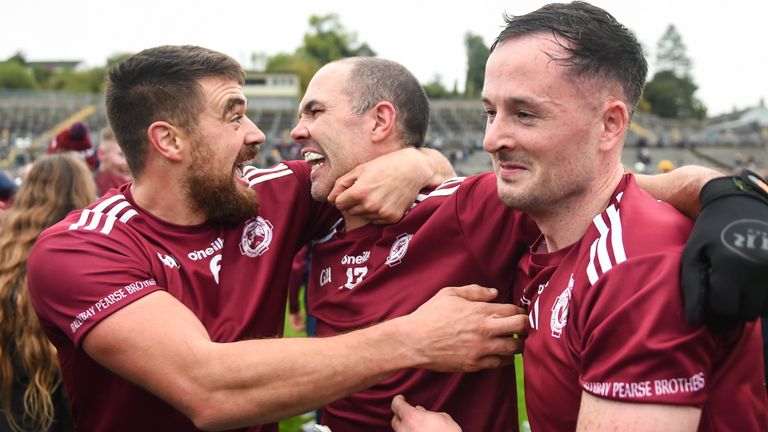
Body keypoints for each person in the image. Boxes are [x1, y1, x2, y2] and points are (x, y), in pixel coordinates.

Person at [26, 45, 526, 432]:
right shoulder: (78, 250)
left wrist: (416, 162)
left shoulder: (271, 196)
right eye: (233, 114)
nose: (259, 134)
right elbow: (207, 388)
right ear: (169, 140)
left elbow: (370, 166)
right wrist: (418, 338)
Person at [292, 56, 755, 431]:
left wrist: (726, 195)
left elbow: (604, 187)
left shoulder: (463, 212)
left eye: (315, 111)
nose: (297, 132)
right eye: (490, 114)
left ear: (380, 121)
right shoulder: (304, 211)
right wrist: (420, 159)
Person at [391, 2, 767, 431]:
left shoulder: (636, 268)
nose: (491, 139)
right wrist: (413, 161)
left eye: (525, 114)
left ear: (609, 125)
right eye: (490, 112)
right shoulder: (551, 236)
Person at [0, 152, 96, 432]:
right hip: (67, 406)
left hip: (9, 402)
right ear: (84, 192)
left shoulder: (6, 247)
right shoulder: (91, 251)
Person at [94, 126, 131, 196]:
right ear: (101, 154)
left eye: (132, 155)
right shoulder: (87, 191)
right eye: (122, 155)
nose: (130, 162)